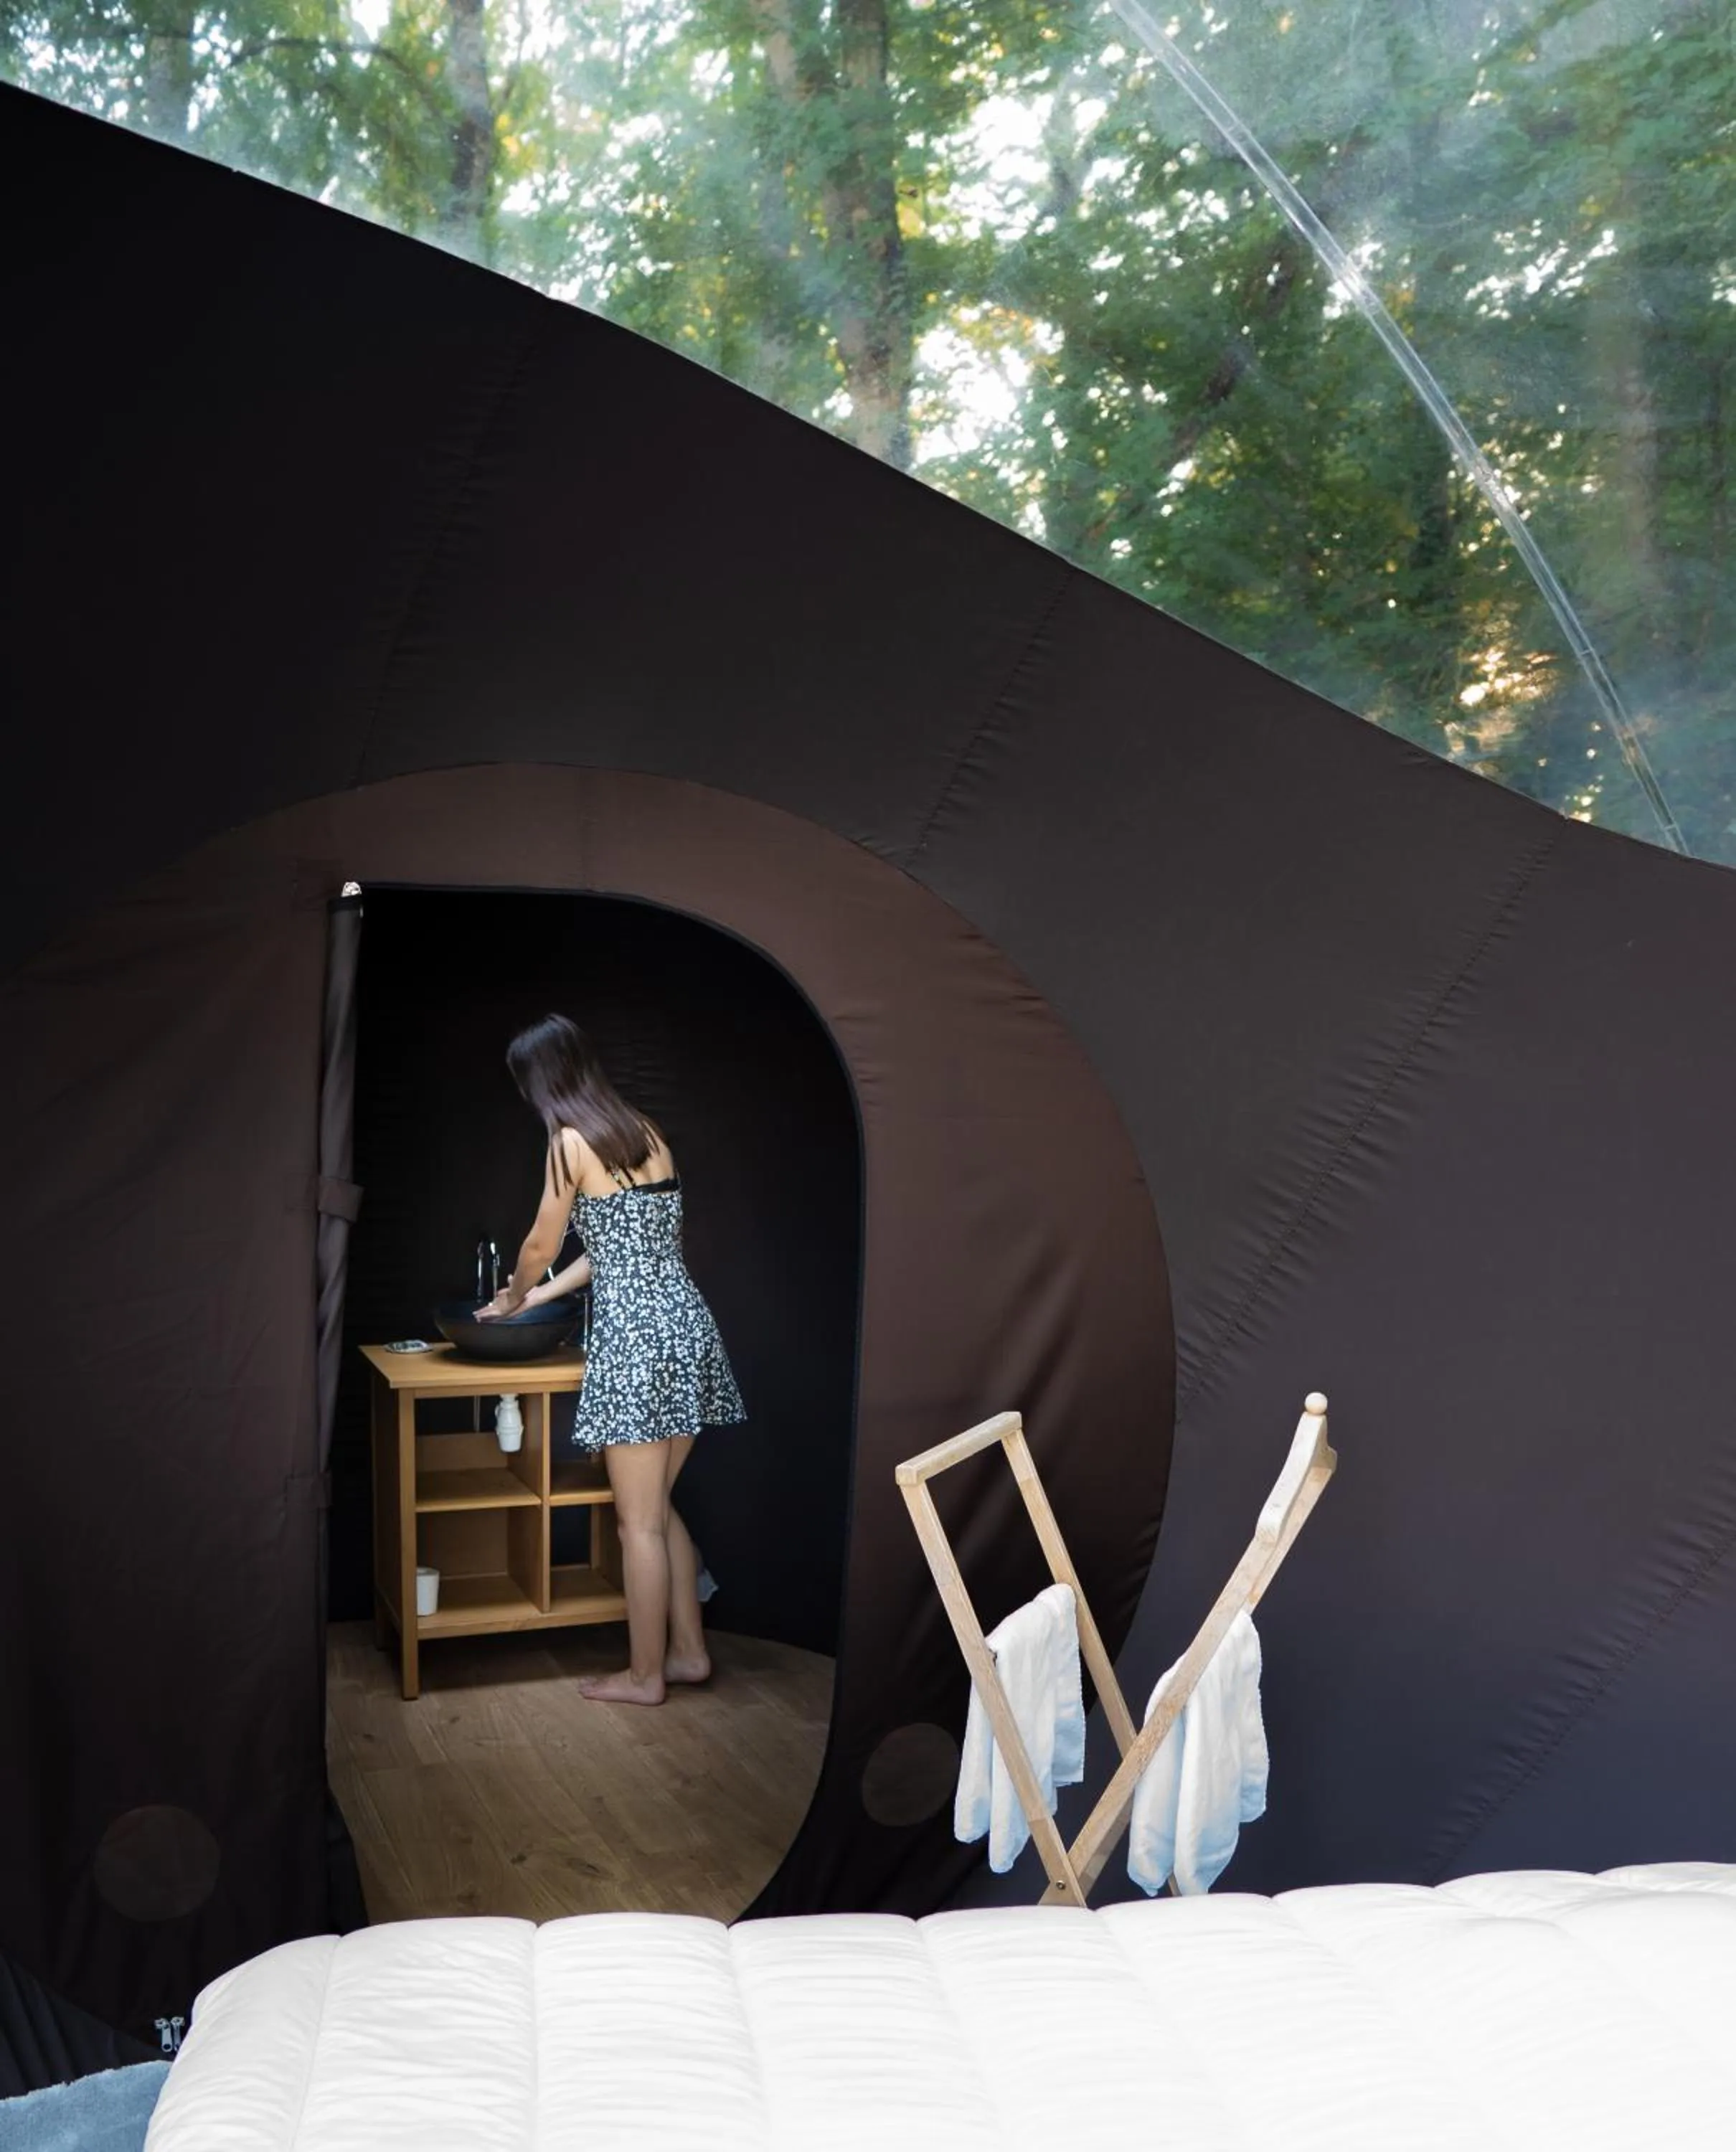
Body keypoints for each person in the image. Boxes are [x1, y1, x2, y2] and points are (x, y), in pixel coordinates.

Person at [477, 1013, 745, 1704]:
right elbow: (613, 1250)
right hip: (688, 1329)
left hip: (636, 1342)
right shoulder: (644, 1132)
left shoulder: (569, 1144)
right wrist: (532, 1303)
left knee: (637, 1525)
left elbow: (542, 1242)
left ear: (544, 1083)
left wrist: (513, 1292)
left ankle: (644, 1676)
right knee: (659, 1509)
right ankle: (687, 1656)